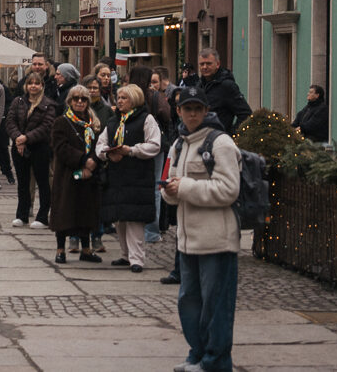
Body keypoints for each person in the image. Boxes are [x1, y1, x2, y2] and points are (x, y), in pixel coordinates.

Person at [164, 88, 243, 372]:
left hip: (217, 240)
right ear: (179, 111)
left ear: (206, 110)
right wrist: (171, 192)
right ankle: (197, 354)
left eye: (198, 108)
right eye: (188, 109)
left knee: (215, 306)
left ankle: (216, 362)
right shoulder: (179, 144)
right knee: (190, 303)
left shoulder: (220, 143)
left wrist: (183, 187)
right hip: (188, 241)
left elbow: (228, 190)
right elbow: (171, 185)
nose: (193, 114)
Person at [98, 83, 163, 272]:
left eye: (124, 98)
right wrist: (107, 153)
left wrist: (131, 151)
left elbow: (154, 145)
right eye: (118, 98)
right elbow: (101, 143)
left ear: (134, 99)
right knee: (120, 218)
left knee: (134, 219)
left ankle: (137, 259)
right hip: (117, 176)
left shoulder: (146, 119)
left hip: (137, 176)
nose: (119, 101)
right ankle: (125, 255)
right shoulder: (114, 121)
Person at [49, 84, 103, 263]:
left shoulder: (92, 124)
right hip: (67, 175)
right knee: (64, 212)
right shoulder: (61, 122)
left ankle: (86, 250)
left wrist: (93, 162)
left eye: (83, 99)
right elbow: (60, 147)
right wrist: (82, 159)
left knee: (86, 212)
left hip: (89, 174)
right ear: (70, 101)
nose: (79, 102)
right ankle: (60, 249)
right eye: (76, 99)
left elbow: (100, 146)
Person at [5, 71, 59, 229]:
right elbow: (10, 121)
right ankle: (22, 215)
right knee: (23, 183)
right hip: (19, 147)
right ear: (26, 86)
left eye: (36, 83)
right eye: (30, 83)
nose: (33, 86)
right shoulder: (18, 101)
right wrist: (18, 138)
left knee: (42, 182)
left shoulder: (48, 104)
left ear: (42, 85)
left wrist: (26, 138)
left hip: (39, 147)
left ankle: (42, 216)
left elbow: (46, 126)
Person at [192, 49, 251, 134]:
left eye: (208, 63)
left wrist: (231, 135)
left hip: (220, 141)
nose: (205, 67)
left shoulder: (227, 86)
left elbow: (246, 114)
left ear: (217, 64)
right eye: (202, 64)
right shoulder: (199, 86)